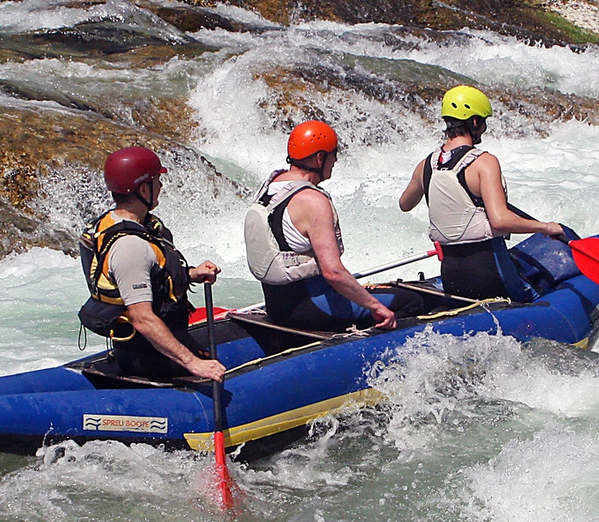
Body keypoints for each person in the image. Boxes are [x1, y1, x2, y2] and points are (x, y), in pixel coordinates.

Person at [244, 121, 420, 332]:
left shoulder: (269, 189)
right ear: (320, 158)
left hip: (278, 308)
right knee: (410, 300)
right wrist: (375, 306)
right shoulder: (312, 200)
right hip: (313, 309)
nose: (335, 160)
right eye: (334, 154)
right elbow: (333, 272)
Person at [398, 87, 565, 300]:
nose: (484, 128)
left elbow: (405, 204)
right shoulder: (484, 162)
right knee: (544, 287)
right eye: (483, 121)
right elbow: (500, 220)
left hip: (452, 277)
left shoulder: (426, 166)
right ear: (474, 122)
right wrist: (545, 227)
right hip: (490, 271)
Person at [78, 146, 225, 382]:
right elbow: (142, 319)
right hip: (147, 358)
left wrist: (192, 274)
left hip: (148, 347)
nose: (161, 187)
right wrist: (194, 364)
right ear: (143, 189)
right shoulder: (130, 247)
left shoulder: (121, 224)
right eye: (157, 181)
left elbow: (153, 278)